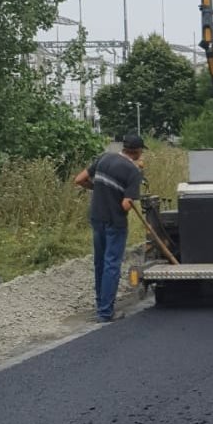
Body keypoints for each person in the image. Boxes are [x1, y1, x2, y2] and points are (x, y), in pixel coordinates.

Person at [74, 133, 146, 322]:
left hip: (97, 218)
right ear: (137, 152)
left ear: (124, 148)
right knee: (111, 264)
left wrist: (97, 188)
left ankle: (100, 305)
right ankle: (106, 312)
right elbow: (126, 205)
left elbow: (79, 179)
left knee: (99, 262)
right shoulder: (133, 171)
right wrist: (135, 182)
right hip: (115, 222)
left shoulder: (104, 158)